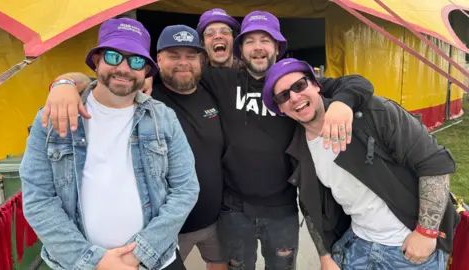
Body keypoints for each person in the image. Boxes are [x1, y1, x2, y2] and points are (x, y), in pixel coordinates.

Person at [38, 10, 375, 270]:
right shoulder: (211, 83)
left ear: (278, 46)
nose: (258, 47)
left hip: (281, 207)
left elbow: (357, 82)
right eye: (251, 40)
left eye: (266, 40)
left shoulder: (295, 83)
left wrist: (343, 104)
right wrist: (64, 84)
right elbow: (107, 79)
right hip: (228, 211)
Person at [20, 18, 199, 270]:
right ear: (97, 60)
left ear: (146, 71)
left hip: (155, 261)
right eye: (114, 56)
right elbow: (38, 199)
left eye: (136, 60)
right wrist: (95, 261)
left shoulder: (163, 117)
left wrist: (139, 253)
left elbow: (185, 190)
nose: (124, 68)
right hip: (79, 263)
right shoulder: (52, 118)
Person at [262, 57, 458, 269]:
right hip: (357, 246)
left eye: (299, 85)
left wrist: (426, 233)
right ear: (281, 109)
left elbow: (434, 163)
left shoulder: (373, 113)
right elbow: (310, 207)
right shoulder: (298, 148)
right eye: (283, 96)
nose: (294, 97)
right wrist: (325, 256)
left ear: (316, 84)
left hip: (408, 249)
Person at [152, 24, 227, 269]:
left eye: (190, 56)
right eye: (174, 55)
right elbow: (101, 83)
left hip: (216, 221)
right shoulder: (145, 97)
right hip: (169, 229)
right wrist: (65, 84)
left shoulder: (212, 91)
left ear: (201, 60)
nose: (183, 62)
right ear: (158, 59)